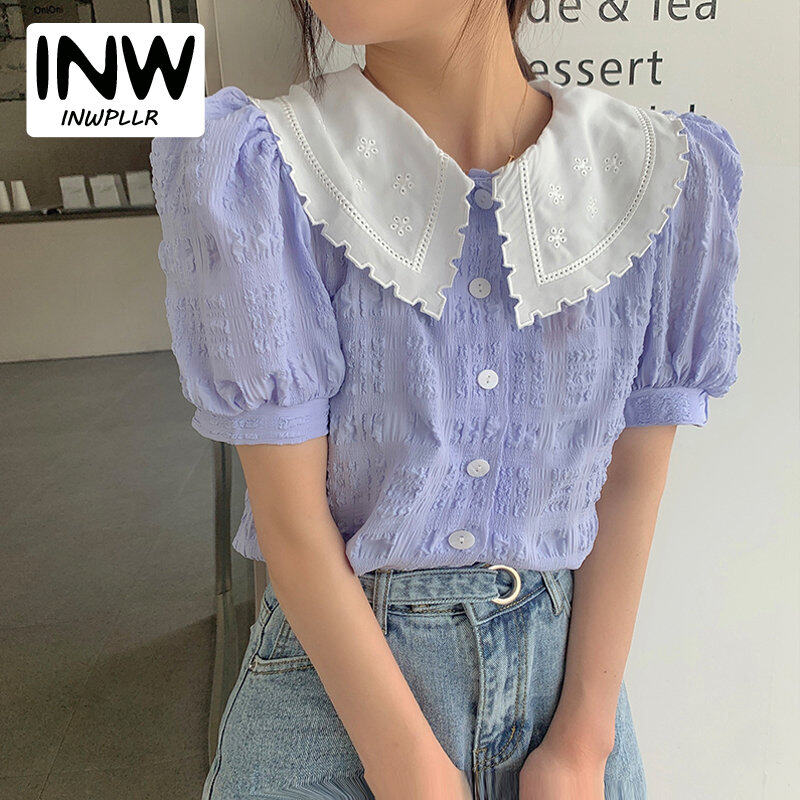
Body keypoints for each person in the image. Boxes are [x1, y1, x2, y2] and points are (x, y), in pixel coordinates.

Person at [150, 2, 743, 798]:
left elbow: (632, 479)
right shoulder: (263, 167)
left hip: (567, 703)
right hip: (335, 700)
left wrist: (583, 741)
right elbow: (290, 522)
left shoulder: (656, 173)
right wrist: (407, 764)